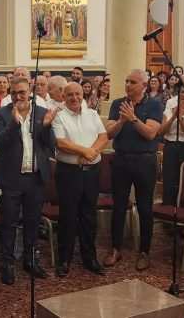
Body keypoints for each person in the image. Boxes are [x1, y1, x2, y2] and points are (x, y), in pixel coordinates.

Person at [0, 77, 56, 284]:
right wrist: (14, 122)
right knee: (9, 222)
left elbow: (49, 144)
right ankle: (9, 263)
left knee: (33, 220)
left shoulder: (41, 112)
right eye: (14, 93)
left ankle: (30, 259)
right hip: (11, 178)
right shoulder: (1, 113)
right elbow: (0, 142)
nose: (18, 96)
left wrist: (46, 127)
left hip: (35, 177)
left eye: (21, 92)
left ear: (29, 90)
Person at [104, 69, 162, 271]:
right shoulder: (117, 103)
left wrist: (133, 118)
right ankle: (115, 249)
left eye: (133, 82)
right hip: (121, 161)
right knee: (118, 206)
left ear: (144, 86)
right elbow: (109, 134)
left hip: (144, 162)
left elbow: (151, 134)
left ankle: (144, 252)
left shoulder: (154, 104)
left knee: (145, 208)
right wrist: (121, 120)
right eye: (127, 81)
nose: (128, 85)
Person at [52, 82, 108, 277]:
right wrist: (86, 151)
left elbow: (103, 137)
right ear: (64, 97)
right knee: (68, 216)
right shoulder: (59, 117)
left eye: (77, 94)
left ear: (82, 94)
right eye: (70, 95)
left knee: (89, 216)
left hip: (92, 172)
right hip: (69, 173)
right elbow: (61, 143)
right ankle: (64, 259)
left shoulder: (92, 114)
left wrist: (92, 153)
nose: (75, 98)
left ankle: (89, 257)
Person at [158, 78, 184, 206]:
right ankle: (168, 207)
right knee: (169, 179)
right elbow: (161, 131)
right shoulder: (169, 108)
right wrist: (173, 117)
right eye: (182, 92)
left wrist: (180, 117)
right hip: (171, 145)